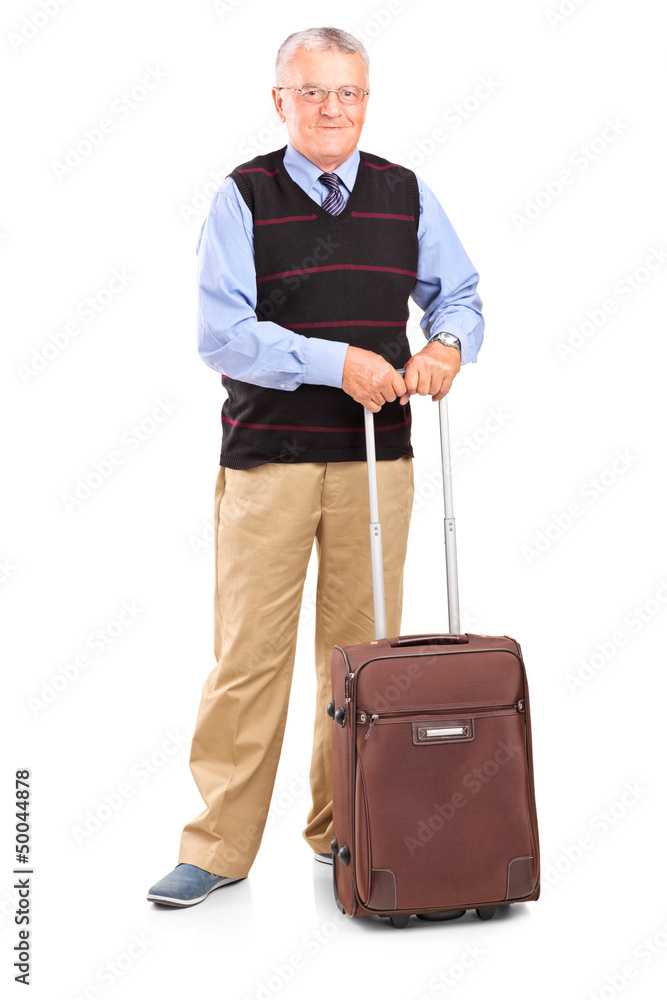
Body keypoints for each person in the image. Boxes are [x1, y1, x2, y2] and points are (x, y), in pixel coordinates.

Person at [147, 25, 484, 907]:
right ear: (280, 100)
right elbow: (222, 335)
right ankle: (218, 848)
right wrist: (338, 363)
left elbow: (458, 294)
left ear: (366, 100)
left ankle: (347, 830)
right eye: (312, 92)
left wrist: (446, 344)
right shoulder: (243, 196)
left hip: (377, 461)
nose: (332, 109)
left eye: (348, 93)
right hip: (270, 462)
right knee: (248, 658)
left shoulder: (405, 192)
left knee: (363, 659)